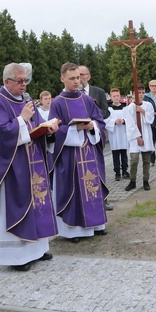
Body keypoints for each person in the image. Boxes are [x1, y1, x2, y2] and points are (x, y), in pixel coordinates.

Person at [0, 63, 58, 271]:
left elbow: (38, 124)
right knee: (17, 207)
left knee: (38, 206)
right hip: (11, 168)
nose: (24, 84)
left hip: (33, 164)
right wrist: (22, 119)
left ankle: (38, 249)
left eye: (26, 80)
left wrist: (50, 129)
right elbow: (1, 134)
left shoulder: (26, 100)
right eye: (20, 81)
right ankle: (16, 257)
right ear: (7, 81)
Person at [49, 62, 109, 242]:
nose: (77, 81)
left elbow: (100, 122)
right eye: (72, 78)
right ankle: (73, 231)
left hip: (89, 152)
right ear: (62, 79)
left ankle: (97, 224)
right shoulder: (57, 103)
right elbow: (54, 129)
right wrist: (75, 130)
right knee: (73, 190)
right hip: (70, 157)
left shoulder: (88, 100)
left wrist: (92, 126)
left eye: (78, 77)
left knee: (93, 187)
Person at [124, 85, 155, 191]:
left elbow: (150, 120)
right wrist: (138, 137)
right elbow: (130, 124)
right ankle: (132, 181)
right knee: (134, 160)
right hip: (135, 138)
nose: (140, 95)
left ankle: (146, 181)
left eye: (142, 92)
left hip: (146, 135)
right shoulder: (129, 108)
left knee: (146, 161)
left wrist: (142, 111)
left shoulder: (148, 105)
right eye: (138, 92)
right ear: (134, 93)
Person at [104, 88, 128, 182]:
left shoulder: (125, 107)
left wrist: (123, 121)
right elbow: (106, 121)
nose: (116, 98)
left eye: (118, 95)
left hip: (123, 133)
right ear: (111, 97)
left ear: (120, 96)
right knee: (115, 154)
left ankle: (125, 170)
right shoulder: (108, 109)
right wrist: (114, 121)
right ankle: (117, 172)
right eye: (114, 96)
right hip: (114, 134)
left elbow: (129, 119)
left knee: (124, 153)